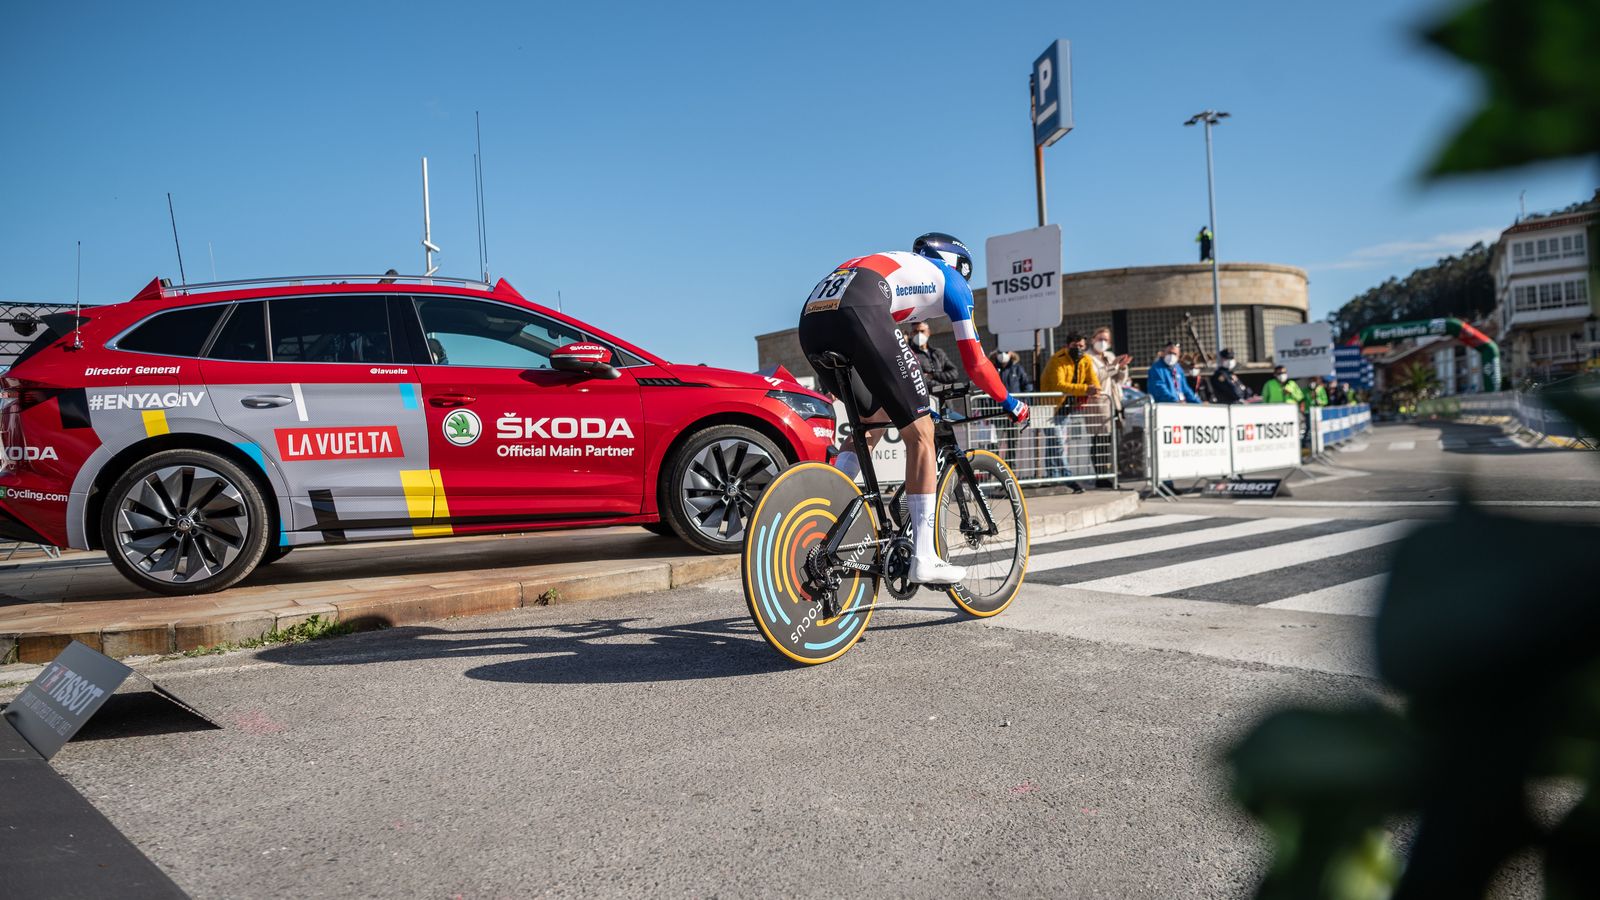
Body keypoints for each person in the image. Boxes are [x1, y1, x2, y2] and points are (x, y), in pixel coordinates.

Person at [797, 233, 1028, 585]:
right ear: (959, 265)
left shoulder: (906, 267)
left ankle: (826, 515)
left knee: (871, 423)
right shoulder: (951, 281)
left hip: (813, 318)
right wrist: (1013, 404)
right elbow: (977, 363)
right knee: (921, 432)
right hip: (860, 308)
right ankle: (925, 556)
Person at [1041, 333, 1102, 494]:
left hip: (1066, 408)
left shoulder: (1086, 360)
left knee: (1053, 444)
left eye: (1082, 346)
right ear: (1068, 346)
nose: (1079, 349)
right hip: (1048, 408)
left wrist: (1095, 389)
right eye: (1075, 346)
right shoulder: (1057, 359)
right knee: (1058, 443)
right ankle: (1068, 478)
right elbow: (1060, 385)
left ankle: (1052, 478)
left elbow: (1092, 380)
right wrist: (1085, 389)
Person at [1088, 327, 1130, 487]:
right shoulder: (1088, 358)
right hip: (1098, 403)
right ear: (1092, 339)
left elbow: (1120, 380)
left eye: (1105, 339)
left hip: (1114, 401)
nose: (1102, 342)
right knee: (1100, 440)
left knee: (1110, 441)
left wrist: (1123, 368)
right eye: (1099, 339)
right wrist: (1112, 366)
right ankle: (1101, 476)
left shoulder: (1110, 356)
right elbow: (1095, 377)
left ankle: (1110, 475)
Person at [909, 321, 961, 385]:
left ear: (928, 332)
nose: (919, 334)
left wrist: (933, 375)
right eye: (916, 332)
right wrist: (942, 387)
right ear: (911, 334)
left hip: (947, 392)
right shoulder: (910, 356)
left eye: (922, 331)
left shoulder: (938, 353)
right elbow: (920, 380)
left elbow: (954, 373)